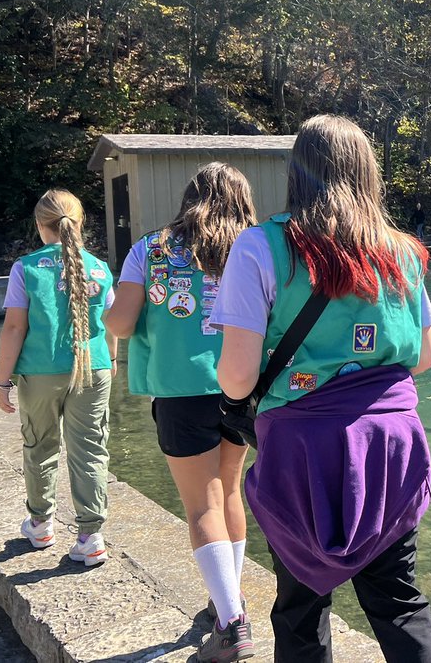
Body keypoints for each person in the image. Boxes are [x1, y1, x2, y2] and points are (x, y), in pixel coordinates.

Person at [213, 114, 431, 663]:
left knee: (301, 606)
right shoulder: (401, 250)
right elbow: (426, 356)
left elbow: (237, 377)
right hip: (392, 442)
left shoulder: (260, 247)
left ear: (297, 172)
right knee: (398, 601)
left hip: (301, 449)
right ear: (367, 172)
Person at [103, 163, 258, 662]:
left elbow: (121, 325)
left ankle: (232, 624)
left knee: (201, 506)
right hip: (244, 387)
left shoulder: (150, 248)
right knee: (229, 490)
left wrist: (108, 308)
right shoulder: (254, 248)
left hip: (180, 391)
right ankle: (226, 601)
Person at [0, 189, 116, 567]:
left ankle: (40, 523)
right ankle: (90, 536)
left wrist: (2, 382)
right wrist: (110, 360)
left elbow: (15, 327)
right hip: (94, 368)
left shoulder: (26, 268)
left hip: (41, 371)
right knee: (91, 450)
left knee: (40, 446)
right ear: (80, 223)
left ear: (39, 226)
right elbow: (111, 324)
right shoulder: (99, 267)